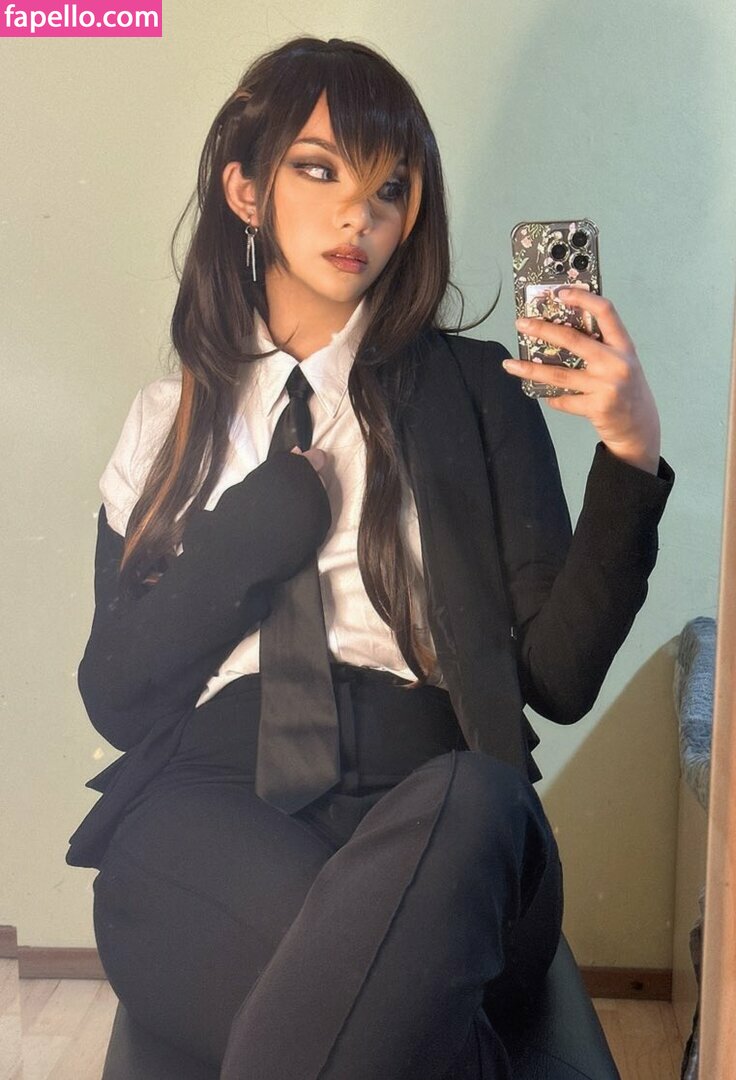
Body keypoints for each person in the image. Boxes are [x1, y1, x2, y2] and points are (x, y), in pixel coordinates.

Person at [66, 35, 674, 1079]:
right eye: (320, 170)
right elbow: (117, 697)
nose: (360, 214)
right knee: (364, 982)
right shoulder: (170, 419)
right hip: (210, 799)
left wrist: (630, 456)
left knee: (476, 802)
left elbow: (558, 679)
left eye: (389, 188)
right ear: (245, 190)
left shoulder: (476, 394)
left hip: (432, 797)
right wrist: (250, 536)